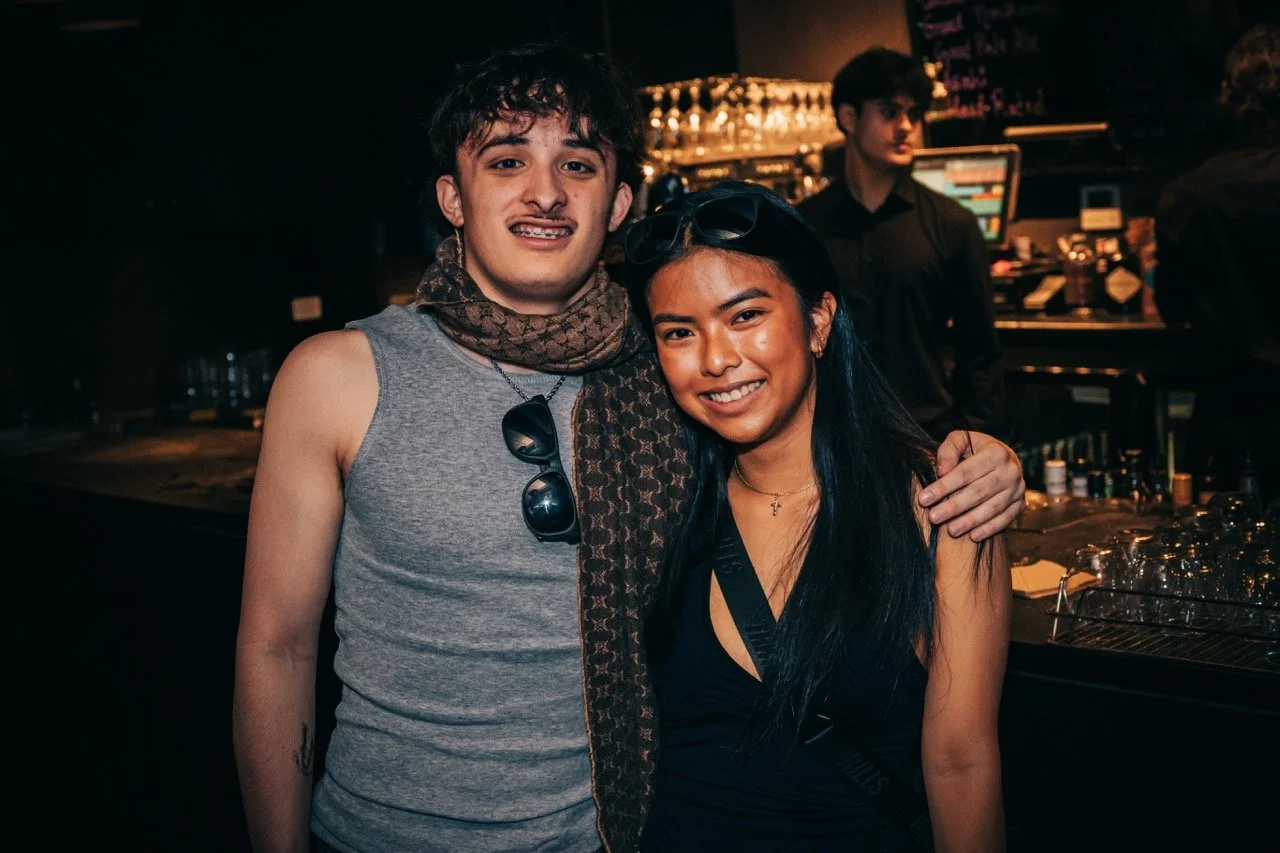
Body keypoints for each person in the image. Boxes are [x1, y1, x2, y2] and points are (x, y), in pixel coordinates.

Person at [232, 42, 1026, 853]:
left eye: (577, 164)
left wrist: (984, 461)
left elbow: (817, 430)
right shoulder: (338, 376)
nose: (545, 191)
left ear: (617, 203)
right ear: (453, 197)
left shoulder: (669, 376)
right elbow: (276, 645)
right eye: (507, 160)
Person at [624, 180, 1009, 851]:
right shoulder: (656, 501)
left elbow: (961, 762)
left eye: (745, 316)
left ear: (819, 319)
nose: (716, 359)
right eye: (679, 332)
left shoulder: (936, 506)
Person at [797, 46, 1004, 442]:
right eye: (890, 112)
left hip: (926, 437)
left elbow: (981, 354)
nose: (907, 126)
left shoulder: (952, 224)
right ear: (848, 117)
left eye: (914, 114)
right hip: (827, 440)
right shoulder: (805, 224)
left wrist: (973, 443)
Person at [1154, 22, 1279, 504]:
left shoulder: (1186, 195)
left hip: (1231, 423)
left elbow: (1173, 307)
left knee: (1227, 566)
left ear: (1229, 95)